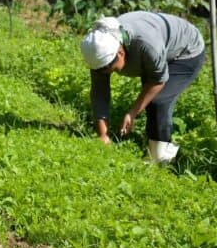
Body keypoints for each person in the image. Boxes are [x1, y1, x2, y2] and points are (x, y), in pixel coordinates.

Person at [80, 11, 205, 163]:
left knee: (158, 100)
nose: (105, 72)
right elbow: (100, 92)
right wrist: (103, 136)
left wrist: (132, 113)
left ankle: (161, 159)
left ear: (120, 53)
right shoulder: (99, 50)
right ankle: (153, 146)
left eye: (109, 68)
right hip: (157, 49)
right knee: (149, 100)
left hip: (186, 51)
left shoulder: (146, 45)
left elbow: (158, 81)